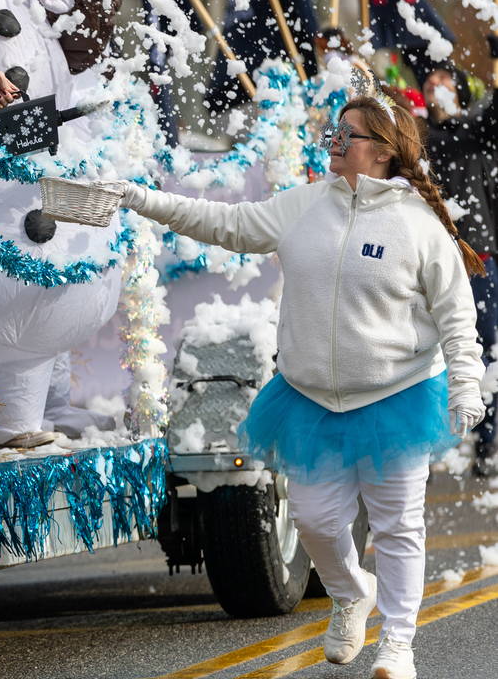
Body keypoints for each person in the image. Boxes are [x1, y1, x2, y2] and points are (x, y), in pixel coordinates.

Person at [106, 97, 485, 679]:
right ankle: (353, 593)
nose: (335, 140)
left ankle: (399, 645)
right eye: (336, 130)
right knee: (314, 523)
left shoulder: (418, 225)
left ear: (382, 152)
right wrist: (138, 197)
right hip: (309, 399)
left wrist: (465, 384)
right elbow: (224, 224)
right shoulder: (305, 203)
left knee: (398, 526)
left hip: (398, 397)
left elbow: (458, 315)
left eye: (349, 134)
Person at [421, 62, 498, 475]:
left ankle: (486, 441)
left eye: (444, 77)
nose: (436, 83)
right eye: (429, 79)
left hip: (479, 259)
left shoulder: (476, 130)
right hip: (432, 260)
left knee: (484, 349)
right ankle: (435, 446)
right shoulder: (418, 136)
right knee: (431, 349)